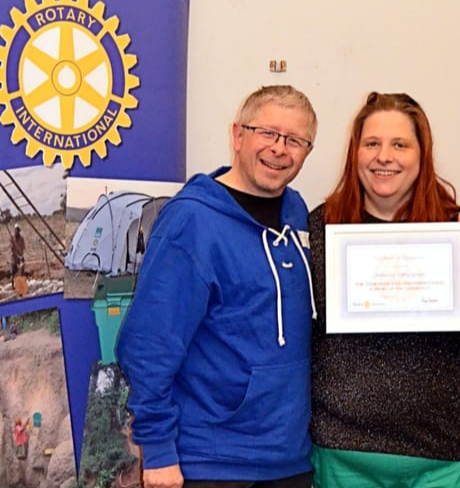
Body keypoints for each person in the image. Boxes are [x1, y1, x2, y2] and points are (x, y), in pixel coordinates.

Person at [308, 92, 460, 488]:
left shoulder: (457, 227)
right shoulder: (321, 229)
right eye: (371, 143)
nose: (384, 156)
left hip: (438, 455)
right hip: (344, 451)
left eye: (400, 145)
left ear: (421, 154)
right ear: (354, 152)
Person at [116, 85, 318, 488]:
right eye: (268, 133)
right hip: (211, 462)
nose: (280, 149)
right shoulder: (191, 222)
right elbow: (149, 344)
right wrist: (157, 451)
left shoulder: (297, 214)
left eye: (295, 140)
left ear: (307, 152)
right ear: (237, 135)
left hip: (289, 459)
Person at [9, 223, 26, 288]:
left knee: (21, 273)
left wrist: (21, 256)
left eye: (18, 230)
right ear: (14, 230)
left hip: (20, 258)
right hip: (14, 258)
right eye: (16, 230)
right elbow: (12, 249)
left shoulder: (22, 239)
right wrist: (17, 255)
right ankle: (13, 287)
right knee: (12, 273)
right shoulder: (12, 238)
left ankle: (21, 287)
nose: (17, 232)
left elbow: (23, 248)